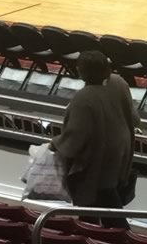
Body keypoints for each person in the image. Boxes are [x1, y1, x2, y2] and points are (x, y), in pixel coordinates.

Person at [51, 50, 135, 208]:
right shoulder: (119, 82)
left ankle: (94, 231)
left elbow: (74, 137)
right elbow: (134, 118)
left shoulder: (84, 97)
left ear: (80, 71)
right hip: (122, 151)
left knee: (93, 202)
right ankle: (113, 230)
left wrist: (54, 144)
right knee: (109, 197)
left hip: (98, 155)